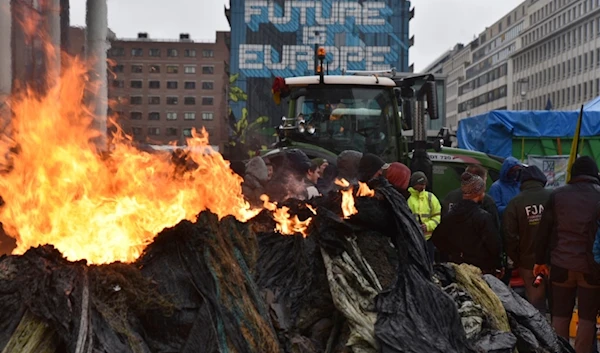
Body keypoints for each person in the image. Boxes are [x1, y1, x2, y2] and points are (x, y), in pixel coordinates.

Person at [534, 156, 600, 353]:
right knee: (587, 317)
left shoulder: (557, 195)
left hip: (561, 265)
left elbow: (543, 232)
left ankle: (559, 350)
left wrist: (540, 261)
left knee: (560, 315)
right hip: (592, 269)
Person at [503, 165, 551, 314]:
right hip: (556, 260)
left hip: (529, 263)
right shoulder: (554, 197)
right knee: (560, 306)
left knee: (536, 305)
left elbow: (509, 235)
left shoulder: (515, 203)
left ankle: (541, 336)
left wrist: (518, 259)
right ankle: (560, 335)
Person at [432, 172, 501, 274]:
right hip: (479, 270)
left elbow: (437, 239)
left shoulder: (450, 216)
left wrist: (452, 254)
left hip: (455, 269)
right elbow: (494, 245)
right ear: (479, 193)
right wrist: (497, 265)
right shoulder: (483, 217)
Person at [407, 171, 441, 262]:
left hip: (428, 240)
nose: (423, 187)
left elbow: (437, 217)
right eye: (420, 184)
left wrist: (428, 226)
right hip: (413, 240)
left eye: (424, 184)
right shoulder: (407, 198)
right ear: (414, 184)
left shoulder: (431, 198)